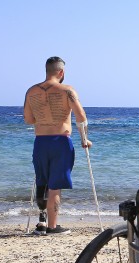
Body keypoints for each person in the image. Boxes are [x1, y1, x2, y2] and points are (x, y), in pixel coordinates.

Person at [23, 56, 92, 235]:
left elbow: (29, 119)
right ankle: (53, 227)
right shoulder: (67, 90)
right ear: (61, 72)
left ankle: (42, 222)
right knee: (55, 185)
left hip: (40, 142)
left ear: (46, 71)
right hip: (60, 142)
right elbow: (81, 116)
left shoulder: (31, 91)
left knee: (42, 181)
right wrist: (85, 139)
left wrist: (44, 117)